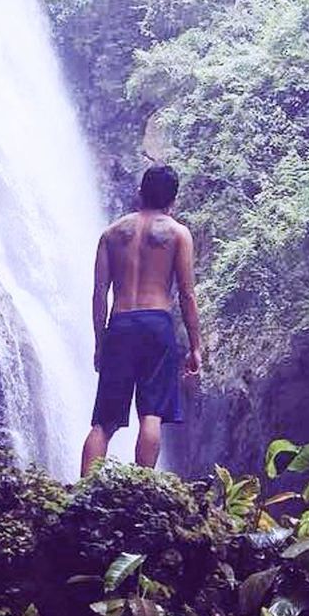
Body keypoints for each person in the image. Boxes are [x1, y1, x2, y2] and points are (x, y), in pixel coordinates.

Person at [80, 164, 202, 476]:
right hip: (157, 325)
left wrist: (100, 342)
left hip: (120, 324)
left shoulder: (111, 234)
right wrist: (195, 347)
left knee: (103, 421)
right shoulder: (178, 234)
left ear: (139, 193)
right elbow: (187, 294)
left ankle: (83, 492)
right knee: (152, 414)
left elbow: (98, 294)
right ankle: (142, 487)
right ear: (173, 201)